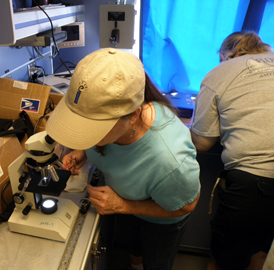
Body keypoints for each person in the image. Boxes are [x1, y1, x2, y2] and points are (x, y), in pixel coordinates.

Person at [46, 48, 201, 270]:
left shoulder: (169, 161)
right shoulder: (117, 120)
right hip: (124, 200)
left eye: (93, 130)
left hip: (161, 218)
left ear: (134, 116)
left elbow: (187, 205)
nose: (87, 135)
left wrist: (124, 205)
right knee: (133, 249)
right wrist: (82, 152)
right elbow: (98, 137)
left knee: (156, 263)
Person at [190, 31, 274, 270]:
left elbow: (203, 142)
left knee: (223, 259)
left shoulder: (220, 72)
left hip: (254, 182)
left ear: (224, 55)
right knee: (263, 252)